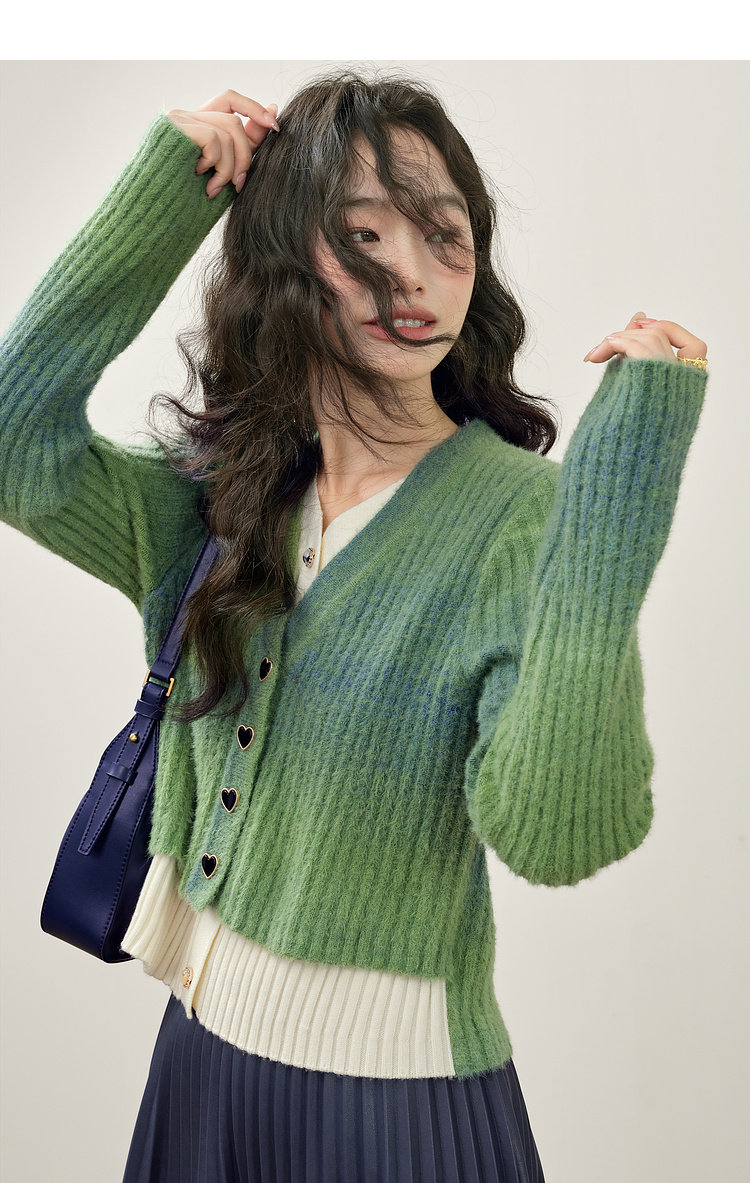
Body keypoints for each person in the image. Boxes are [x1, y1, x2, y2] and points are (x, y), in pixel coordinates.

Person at [0, 68, 708, 1182]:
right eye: (364, 235)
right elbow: (17, 451)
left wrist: (618, 492)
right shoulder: (225, 499)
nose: (413, 276)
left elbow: (556, 833)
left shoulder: (522, 517)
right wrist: (170, 192)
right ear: (284, 259)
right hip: (195, 1062)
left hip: (393, 1111)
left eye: (445, 235)